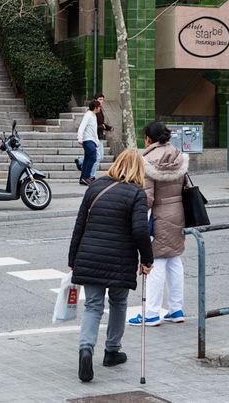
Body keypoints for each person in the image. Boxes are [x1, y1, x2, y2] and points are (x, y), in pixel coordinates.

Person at [67, 149, 154, 383]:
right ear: (139, 170)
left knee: (93, 306)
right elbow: (140, 231)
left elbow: (79, 226)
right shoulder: (137, 193)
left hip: (90, 255)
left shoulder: (94, 187)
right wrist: (147, 259)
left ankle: (86, 349)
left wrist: (72, 260)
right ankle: (112, 351)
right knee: (118, 303)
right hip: (120, 259)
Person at [129, 122, 190, 328]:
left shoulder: (147, 161)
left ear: (148, 139)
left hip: (159, 216)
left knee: (155, 262)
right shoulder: (178, 156)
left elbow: (147, 198)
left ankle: (152, 313)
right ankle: (176, 309)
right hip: (178, 213)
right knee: (174, 259)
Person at [76, 100, 101, 186]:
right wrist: (80, 138)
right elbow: (82, 126)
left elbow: (94, 130)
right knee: (93, 157)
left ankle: (82, 178)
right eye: (99, 107)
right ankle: (86, 177)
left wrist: (96, 141)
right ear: (95, 108)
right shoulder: (88, 115)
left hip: (92, 140)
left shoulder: (94, 116)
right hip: (87, 140)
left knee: (87, 159)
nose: (100, 108)